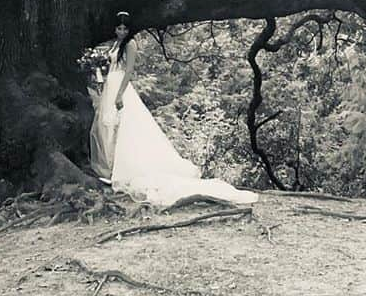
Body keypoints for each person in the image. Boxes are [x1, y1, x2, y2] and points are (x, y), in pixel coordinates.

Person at [89, 11, 257, 206]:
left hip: (121, 88)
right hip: (110, 85)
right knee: (108, 125)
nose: (122, 31)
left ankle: (120, 170)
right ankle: (110, 168)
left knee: (124, 127)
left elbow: (129, 71)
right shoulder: (115, 44)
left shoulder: (131, 44)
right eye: (119, 28)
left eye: (125, 28)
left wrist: (119, 94)